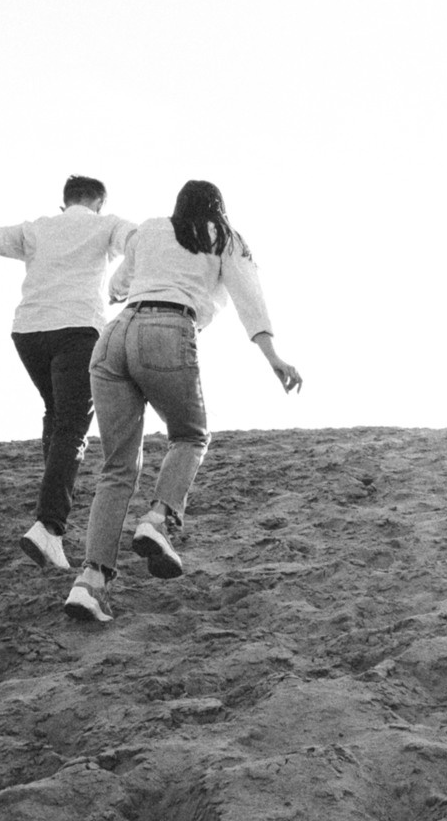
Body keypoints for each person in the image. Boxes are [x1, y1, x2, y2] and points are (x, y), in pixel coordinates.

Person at [63, 179, 302, 623]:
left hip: (114, 336)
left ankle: (89, 583)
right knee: (190, 436)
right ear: (219, 209)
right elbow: (250, 297)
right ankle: (157, 518)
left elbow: (118, 284)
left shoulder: (150, 229)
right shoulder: (224, 237)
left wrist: (128, 287)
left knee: (117, 468)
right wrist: (274, 357)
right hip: (168, 330)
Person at [0, 175, 134, 573]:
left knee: (55, 413)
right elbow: (140, 243)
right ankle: (49, 526)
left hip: (29, 333)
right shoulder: (107, 224)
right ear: (99, 203)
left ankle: (50, 530)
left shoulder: (37, 228)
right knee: (72, 427)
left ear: (64, 203)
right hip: (77, 330)